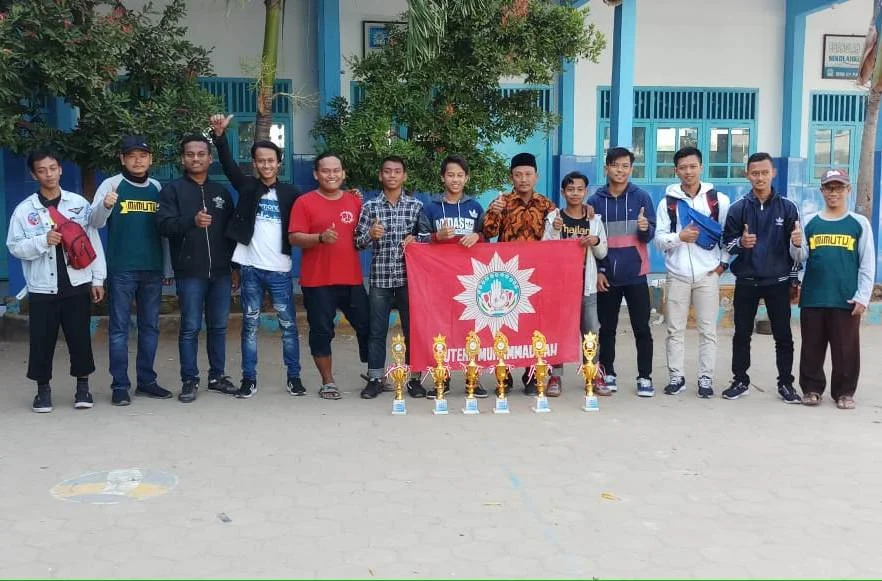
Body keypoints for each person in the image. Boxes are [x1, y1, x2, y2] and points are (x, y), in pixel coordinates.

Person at [208, 114, 304, 400]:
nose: (266, 164)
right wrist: (220, 136)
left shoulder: (292, 193)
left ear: (279, 162)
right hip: (250, 268)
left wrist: (349, 196)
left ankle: (294, 377)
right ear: (254, 164)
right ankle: (248, 379)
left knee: (288, 325)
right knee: (249, 325)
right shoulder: (247, 187)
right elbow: (226, 164)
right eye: (260, 160)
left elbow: (315, 208)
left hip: (279, 269)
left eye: (271, 160)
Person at [7, 149, 106, 412]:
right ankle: (43, 392)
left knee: (79, 338)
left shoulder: (78, 204)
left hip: (77, 283)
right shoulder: (25, 210)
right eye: (42, 170)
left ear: (60, 169)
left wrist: (98, 279)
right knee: (42, 340)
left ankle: (83, 388)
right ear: (33, 174)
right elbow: (14, 246)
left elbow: (93, 241)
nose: (48, 174)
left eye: (52, 168)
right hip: (42, 287)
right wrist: (42, 241)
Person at [90, 136, 172, 406]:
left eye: (143, 155)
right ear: (122, 158)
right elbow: (94, 223)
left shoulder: (158, 187)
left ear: (151, 159)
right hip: (122, 268)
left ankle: (146, 381)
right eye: (132, 155)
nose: (138, 160)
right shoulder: (111, 184)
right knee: (119, 329)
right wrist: (105, 205)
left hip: (152, 268)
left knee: (150, 327)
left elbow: (165, 231)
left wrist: (167, 267)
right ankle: (120, 385)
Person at [156, 134, 236, 403]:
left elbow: (231, 232)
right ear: (183, 159)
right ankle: (189, 380)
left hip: (222, 273)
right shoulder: (172, 190)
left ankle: (217, 377)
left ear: (210, 158)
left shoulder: (221, 193)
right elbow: (164, 226)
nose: (196, 158)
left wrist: (234, 266)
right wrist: (191, 222)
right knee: (190, 327)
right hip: (189, 272)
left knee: (219, 327)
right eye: (190, 154)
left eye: (201, 154)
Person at [721, 152, 802, 403]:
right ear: (747, 175)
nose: (760, 178)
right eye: (754, 173)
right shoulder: (738, 208)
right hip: (747, 281)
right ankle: (740, 380)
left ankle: (786, 384)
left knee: (783, 336)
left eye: (764, 172)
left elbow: (796, 249)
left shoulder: (788, 207)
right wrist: (741, 243)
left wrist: (794, 279)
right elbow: (726, 243)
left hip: (778, 282)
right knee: (742, 334)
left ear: (773, 173)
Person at [288, 152, 369, 400]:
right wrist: (319, 238)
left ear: (343, 173)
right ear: (316, 174)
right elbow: (294, 237)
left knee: (368, 327)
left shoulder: (355, 201)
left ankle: (374, 374)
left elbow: (362, 237)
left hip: (352, 279)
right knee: (321, 332)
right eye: (326, 170)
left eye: (336, 170)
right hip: (318, 281)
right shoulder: (304, 202)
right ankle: (328, 381)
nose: (331, 175)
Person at [794, 169, 874, 409]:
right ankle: (811, 389)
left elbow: (867, 263)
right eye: (829, 188)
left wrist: (862, 296)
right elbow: (801, 257)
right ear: (821, 191)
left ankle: (844, 392)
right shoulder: (811, 221)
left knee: (846, 350)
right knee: (811, 348)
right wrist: (795, 243)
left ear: (848, 190)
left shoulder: (858, 223)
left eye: (839, 188)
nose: (833, 193)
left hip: (845, 298)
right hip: (814, 297)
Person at [653, 147, 730, 398]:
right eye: (683, 167)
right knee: (675, 329)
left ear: (701, 167)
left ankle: (705, 379)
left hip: (708, 275)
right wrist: (680, 237)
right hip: (677, 275)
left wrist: (722, 266)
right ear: (676, 170)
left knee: (708, 330)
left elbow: (727, 236)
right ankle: (676, 377)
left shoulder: (718, 200)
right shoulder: (668, 203)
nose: (688, 171)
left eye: (693, 166)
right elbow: (659, 239)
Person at [482, 152, 559, 394]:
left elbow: (556, 239)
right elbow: (488, 233)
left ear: (537, 176)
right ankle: (503, 376)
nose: (523, 179)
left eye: (528, 174)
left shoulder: (547, 205)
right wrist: (493, 212)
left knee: (534, 326)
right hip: (506, 276)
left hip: (536, 276)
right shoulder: (502, 202)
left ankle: (531, 374)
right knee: (503, 326)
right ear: (511, 177)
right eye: (518, 174)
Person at [586, 147, 657, 397]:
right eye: (615, 165)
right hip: (607, 277)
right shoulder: (595, 201)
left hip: (636, 274)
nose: (620, 170)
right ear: (606, 168)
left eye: (625, 165)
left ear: (631, 168)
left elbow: (650, 235)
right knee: (606, 329)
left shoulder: (642, 197)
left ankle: (645, 376)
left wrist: (644, 227)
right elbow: (592, 241)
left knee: (642, 328)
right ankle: (608, 373)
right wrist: (600, 272)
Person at [417, 154, 486, 399]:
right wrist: (436, 237)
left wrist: (478, 236)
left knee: (472, 328)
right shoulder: (431, 207)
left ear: (466, 178)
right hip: (439, 280)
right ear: (442, 177)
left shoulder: (475, 207)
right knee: (441, 328)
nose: (455, 179)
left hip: (470, 279)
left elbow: (486, 239)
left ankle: (472, 379)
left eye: (459, 175)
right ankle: (441, 378)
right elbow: (419, 241)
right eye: (450, 174)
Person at [355, 156, 424, 399]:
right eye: (387, 171)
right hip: (380, 279)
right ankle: (375, 378)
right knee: (376, 330)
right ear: (380, 175)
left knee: (412, 329)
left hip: (409, 280)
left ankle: (414, 379)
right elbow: (357, 242)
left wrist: (417, 240)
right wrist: (370, 235)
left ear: (404, 176)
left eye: (397, 172)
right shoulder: (370, 207)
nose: (392, 175)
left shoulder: (416, 207)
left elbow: (426, 239)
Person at [543, 171, 608, 397]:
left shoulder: (594, 220)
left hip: (586, 285)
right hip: (561, 287)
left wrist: (596, 240)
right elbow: (545, 249)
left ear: (586, 192)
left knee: (590, 331)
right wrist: (554, 230)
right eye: (570, 189)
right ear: (563, 192)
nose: (575, 193)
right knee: (558, 331)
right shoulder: (554, 217)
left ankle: (594, 374)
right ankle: (555, 376)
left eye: (580, 189)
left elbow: (603, 251)